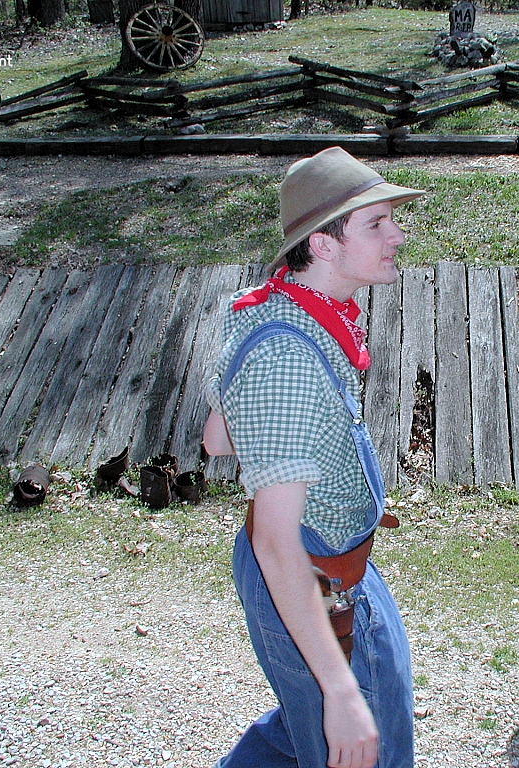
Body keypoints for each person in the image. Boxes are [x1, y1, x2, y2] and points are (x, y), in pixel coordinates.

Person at [205, 146, 424, 768]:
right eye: (376, 224)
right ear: (323, 246)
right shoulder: (288, 355)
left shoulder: (283, 309)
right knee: (361, 732)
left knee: (311, 729)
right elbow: (277, 544)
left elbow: (217, 438)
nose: (397, 235)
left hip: (333, 561)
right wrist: (338, 689)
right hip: (309, 570)